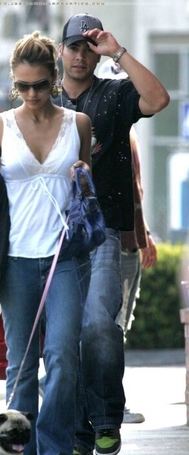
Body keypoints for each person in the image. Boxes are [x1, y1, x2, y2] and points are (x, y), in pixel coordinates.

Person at [0, 31, 92, 455]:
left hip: (65, 256)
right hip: (16, 259)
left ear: (55, 80)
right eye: (22, 86)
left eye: (40, 85)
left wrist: (83, 176)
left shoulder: (78, 123)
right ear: (14, 84)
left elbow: (85, 194)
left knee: (63, 356)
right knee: (21, 365)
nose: (31, 95)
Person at [56, 13, 169, 455]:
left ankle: (104, 419)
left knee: (99, 324)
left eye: (89, 47)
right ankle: (78, 429)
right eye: (74, 47)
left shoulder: (115, 95)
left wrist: (118, 52)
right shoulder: (43, 100)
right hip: (53, 233)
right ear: (61, 51)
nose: (81, 55)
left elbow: (158, 98)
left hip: (101, 228)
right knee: (64, 333)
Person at [98, 59, 158, 424]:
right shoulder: (112, 133)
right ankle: (111, 405)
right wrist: (139, 236)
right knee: (112, 324)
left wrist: (145, 233)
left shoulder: (127, 135)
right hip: (118, 242)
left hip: (129, 240)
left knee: (113, 324)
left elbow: (134, 192)